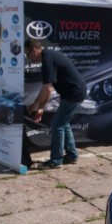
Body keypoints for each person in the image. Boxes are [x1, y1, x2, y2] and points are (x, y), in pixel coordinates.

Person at [25, 39, 86, 169]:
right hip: (72, 93)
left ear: (35, 51)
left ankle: (56, 160)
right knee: (64, 124)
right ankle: (72, 156)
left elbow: (47, 89)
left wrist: (35, 104)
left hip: (74, 94)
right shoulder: (48, 56)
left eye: (27, 54)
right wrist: (41, 108)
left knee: (57, 125)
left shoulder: (47, 58)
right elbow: (50, 89)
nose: (28, 58)